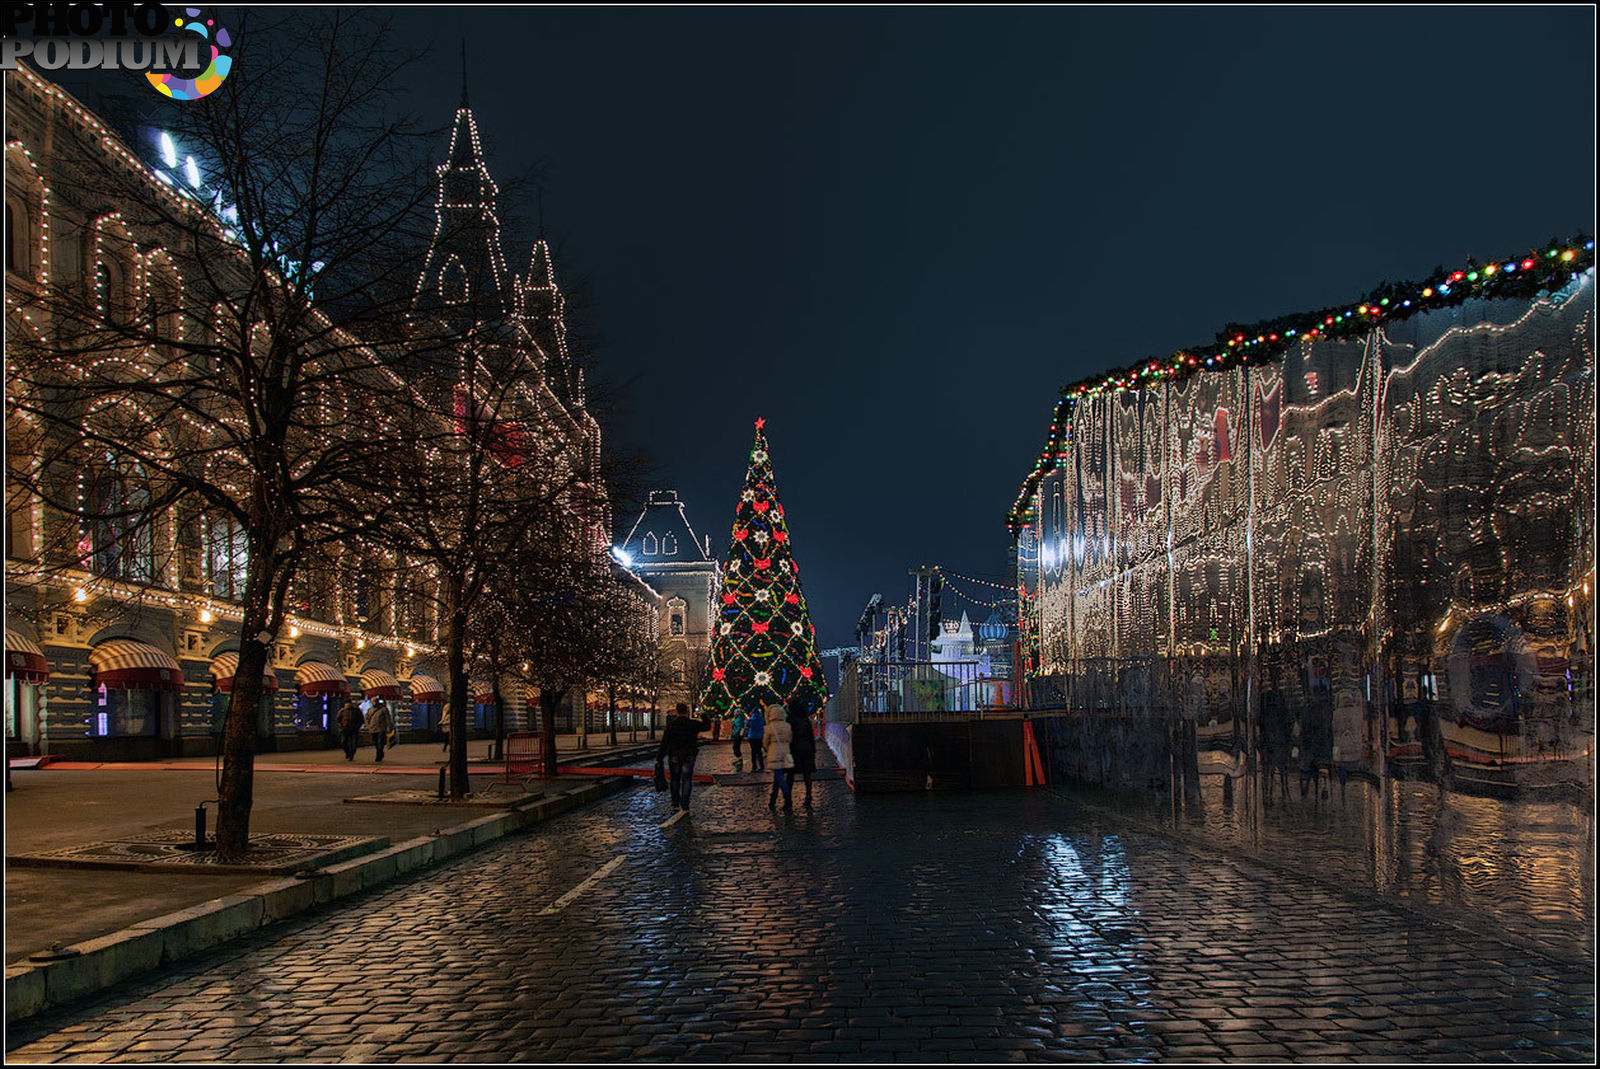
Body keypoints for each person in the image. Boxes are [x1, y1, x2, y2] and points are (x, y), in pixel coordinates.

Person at [656, 702, 710, 812]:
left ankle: (675, 801)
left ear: (676, 711)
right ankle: (685, 803)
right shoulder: (692, 724)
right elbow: (707, 726)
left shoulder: (671, 725)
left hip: (674, 755)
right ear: (687, 711)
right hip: (689, 755)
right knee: (687, 780)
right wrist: (703, 714)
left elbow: (664, 742)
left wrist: (659, 757)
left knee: (674, 779)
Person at [787, 696, 817, 808]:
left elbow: (788, 736)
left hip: (793, 749)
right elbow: (811, 735)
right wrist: (813, 749)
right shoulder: (805, 720)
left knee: (790, 775)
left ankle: (788, 798)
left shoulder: (789, 720)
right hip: (806, 748)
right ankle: (808, 796)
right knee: (807, 775)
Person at [763, 702, 794, 811]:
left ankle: (787, 797)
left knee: (779, 777)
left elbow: (765, 743)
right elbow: (790, 739)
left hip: (774, 753)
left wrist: (769, 749)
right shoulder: (787, 726)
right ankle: (773, 799)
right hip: (785, 753)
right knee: (778, 776)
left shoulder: (769, 727)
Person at [365, 698, 394, 763]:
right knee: (376, 742)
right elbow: (366, 718)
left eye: (375, 701)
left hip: (381, 729)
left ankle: (378, 756)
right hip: (373, 729)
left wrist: (389, 726)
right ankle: (380, 753)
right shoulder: (370, 710)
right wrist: (368, 726)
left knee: (380, 742)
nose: (374, 703)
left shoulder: (383, 709)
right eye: (373, 701)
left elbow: (387, 718)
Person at [745, 703, 767, 773]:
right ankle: (761, 765)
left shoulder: (751, 719)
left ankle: (754, 766)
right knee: (759, 751)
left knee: (753, 751)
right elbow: (764, 724)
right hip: (759, 736)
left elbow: (747, 725)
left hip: (752, 736)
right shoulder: (761, 719)